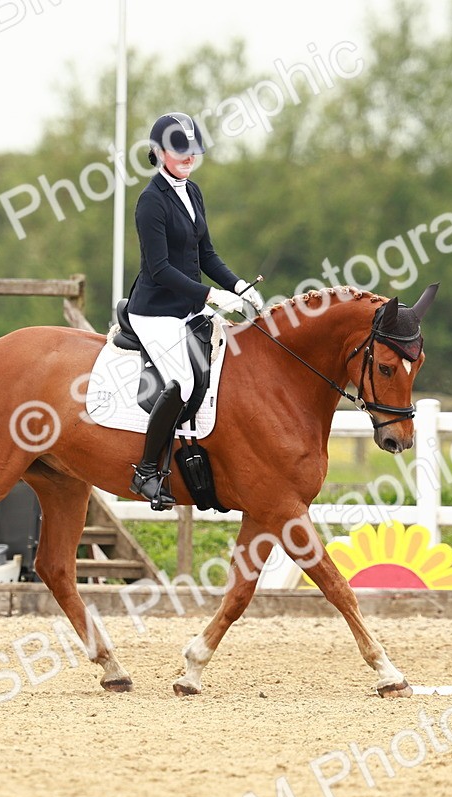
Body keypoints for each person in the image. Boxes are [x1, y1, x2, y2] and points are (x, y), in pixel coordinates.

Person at [126, 111, 265, 510]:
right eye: (179, 151)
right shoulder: (150, 201)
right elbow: (159, 269)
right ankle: (146, 472)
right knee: (183, 384)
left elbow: (206, 254)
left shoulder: (193, 191)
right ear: (158, 152)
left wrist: (238, 286)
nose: (188, 157)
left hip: (188, 308)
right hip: (156, 312)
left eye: (193, 151)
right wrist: (210, 296)